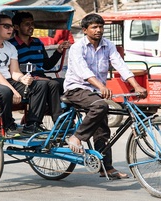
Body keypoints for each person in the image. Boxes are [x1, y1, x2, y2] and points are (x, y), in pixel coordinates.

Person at [64, 14, 147, 178]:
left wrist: (136, 85)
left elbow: (119, 64)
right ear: (85, 30)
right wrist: (101, 86)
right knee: (101, 106)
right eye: (94, 27)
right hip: (76, 88)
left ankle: (106, 167)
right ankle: (76, 137)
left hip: (95, 92)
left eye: (100, 27)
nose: (98, 30)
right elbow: (83, 71)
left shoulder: (108, 45)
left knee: (102, 129)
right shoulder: (77, 47)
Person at [0, 14, 48, 137]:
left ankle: (33, 124)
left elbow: (15, 72)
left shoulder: (10, 46)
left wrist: (23, 78)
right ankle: (9, 126)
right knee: (5, 91)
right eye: (6, 26)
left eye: (11, 26)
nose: (10, 29)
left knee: (41, 85)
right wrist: (13, 90)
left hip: (7, 80)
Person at [9, 12, 71, 124]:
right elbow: (14, 71)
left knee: (68, 83)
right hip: (25, 80)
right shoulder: (11, 45)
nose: (31, 27)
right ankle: (54, 122)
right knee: (52, 84)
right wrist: (39, 79)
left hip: (41, 78)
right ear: (17, 27)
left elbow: (47, 65)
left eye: (32, 24)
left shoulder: (37, 42)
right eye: (27, 24)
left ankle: (65, 118)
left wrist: (58, 51)